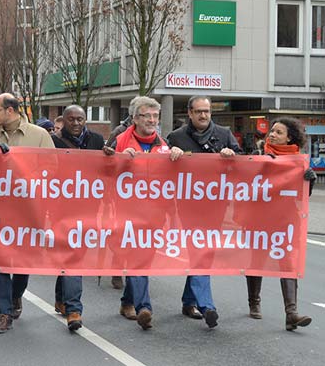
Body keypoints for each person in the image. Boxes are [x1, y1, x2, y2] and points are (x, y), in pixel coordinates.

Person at [0, 93, 54, 334]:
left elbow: (52, 171)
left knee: (23, 263)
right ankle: (3, 313)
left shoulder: (39, 135)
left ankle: (15, 296)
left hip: (28, 211)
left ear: (10, 111)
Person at [108, 96, 183, 331]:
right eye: (146, 115)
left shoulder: (163, 143)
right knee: (137, 256)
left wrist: (178, 155)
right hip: (128, 211)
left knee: (144, 258)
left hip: (155, 212)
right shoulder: (120, 140)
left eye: (155, 116)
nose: (152, 120)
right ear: (134, 118)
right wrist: (120, 160)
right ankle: (144, 308)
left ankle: (127, 302)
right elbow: (104, 172)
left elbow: (173, 176)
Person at [166, 95, 241, 329]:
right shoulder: (176, 137)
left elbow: (245, 163)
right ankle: (207, 305)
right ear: (189, 113)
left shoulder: (224, 134)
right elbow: (161, 169)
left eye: (207, 111)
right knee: (199, 250)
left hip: (216, 205)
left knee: (203, 253)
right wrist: (171, 155)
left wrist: (233, 155)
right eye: (198, 111)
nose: (203, 115)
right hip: (188, 206)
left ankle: (189, 301)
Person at [246, 117, 314, 331]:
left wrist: (308, 180)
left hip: (286, 220)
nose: (272, 134)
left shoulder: (298, 162)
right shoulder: (258, 156)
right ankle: (254, 302)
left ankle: (291, 313)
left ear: (289, 138)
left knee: (288, 263)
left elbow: (302, 196)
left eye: (278, 132)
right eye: (272, 131)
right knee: (257, 259)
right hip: (259, 217)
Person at [50, 104, 104, 331]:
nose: (76, 124)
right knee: (72, 255)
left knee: (73, 254)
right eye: (71, 120)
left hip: (87, 205)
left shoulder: (97, 141)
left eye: (80, 120)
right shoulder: (52, 141)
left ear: (85, 121)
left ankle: (63, 300)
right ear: (63, 121)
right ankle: (74, 310)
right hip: (61, 205)